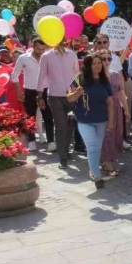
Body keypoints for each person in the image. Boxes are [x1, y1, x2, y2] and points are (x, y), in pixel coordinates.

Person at [68, 53, 115, 189]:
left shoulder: (104, 81)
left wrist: (111, 122)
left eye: (99, 63)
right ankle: (97, 176)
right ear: (88, 66)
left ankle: (92, 169)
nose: (97, 66)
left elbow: (110, 103)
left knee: (97, 148)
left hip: (101, 120)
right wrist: (77, 92)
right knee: (92, 147)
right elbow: (69, 98)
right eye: (94, 63)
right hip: (84, 120)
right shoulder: (79, 79)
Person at [38, 41, 80, 169]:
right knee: (60, 126)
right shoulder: (46, 56)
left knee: (70, 125)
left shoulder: (72, 55)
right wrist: (39, 96)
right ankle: (62, 157)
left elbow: (77, 75)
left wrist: (78, 91)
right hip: (55, 97)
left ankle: (66, 150)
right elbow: (41, 77)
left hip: (71, 96)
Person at [12, 38, 54, 152]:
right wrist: (19, 91)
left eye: (43, 49)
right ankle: (31, 140)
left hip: (45, 90)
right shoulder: (23, 57)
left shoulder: (48, 56)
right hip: (30, 90)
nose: (41, 51)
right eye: (38, 49)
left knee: (48, 116)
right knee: (30, 117)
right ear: (33, 46)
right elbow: (14, 75)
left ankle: (51, 141)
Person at [97, 49, 125, 177]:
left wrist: (127, 109)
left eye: (109, 58)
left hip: (116, 107)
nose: (107, 61)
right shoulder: (95, 76)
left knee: (115, 134)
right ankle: (106, 162)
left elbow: (120, 92)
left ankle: (109, 159)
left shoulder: (114, 74)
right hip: (102, 107)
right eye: (104, 59)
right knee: (106, 134)